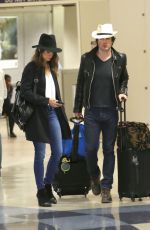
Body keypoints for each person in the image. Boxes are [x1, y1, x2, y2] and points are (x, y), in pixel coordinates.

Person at [73, 23, 129, 203]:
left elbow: (124, 79)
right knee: (90, 148)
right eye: (102, 38)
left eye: (108, 38)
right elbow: (81, 83)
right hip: (91, 112)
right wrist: (77, 107)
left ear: (112, 40)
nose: (105, 42)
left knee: (108, 150)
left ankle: (106, 187)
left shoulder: (120, 58)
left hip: (111, 111)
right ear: (97, 40)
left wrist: (123, 92)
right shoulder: (87, 59)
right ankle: (94, 175)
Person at [20, 34, 71, 207]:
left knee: (58, 151)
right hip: (37, 115)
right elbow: (25, 92)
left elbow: (54, 93)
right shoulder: (31, 68)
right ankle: (41, 190)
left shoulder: (52, 67)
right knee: (40, 154)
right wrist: (45, 101)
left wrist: (56, 103)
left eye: (53, 51)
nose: (50, 54)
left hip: (52, 112)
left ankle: (48, 184)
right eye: (47, 51)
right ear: (40, 50)